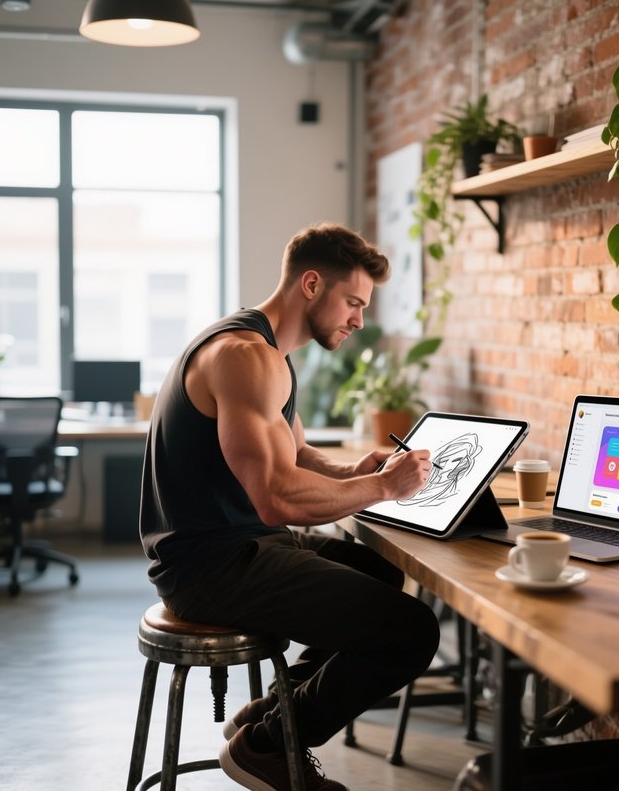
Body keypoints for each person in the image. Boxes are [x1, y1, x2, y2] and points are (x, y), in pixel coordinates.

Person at [140, 222, 441, 791]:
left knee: (377, 569)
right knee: (412, 632)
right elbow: (276, 497)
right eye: (352, 302)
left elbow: (296, 450)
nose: (358, 319)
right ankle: (269, 747)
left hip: (241, 543)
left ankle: (274, 714)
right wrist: (385, 489)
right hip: (210, 566)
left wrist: (352, 471)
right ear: (310, 284)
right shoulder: (243, 356)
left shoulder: (268, 350)